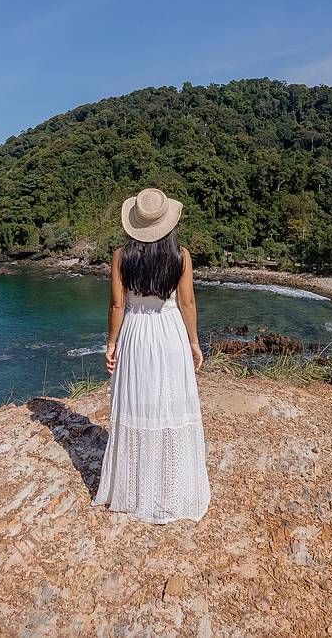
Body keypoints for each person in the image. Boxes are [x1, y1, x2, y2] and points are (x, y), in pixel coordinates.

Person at [91, 188, 211, 523]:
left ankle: (134, 487)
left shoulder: (120, 256)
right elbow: (187, 303)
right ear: (168, 222)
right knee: (169, 405)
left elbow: (117, 305)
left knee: (137, 404)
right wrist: (194, 342)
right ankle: (171, 486)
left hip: (136, 333)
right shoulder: (181, 256)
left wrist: (111, 343)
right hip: (170, 332)